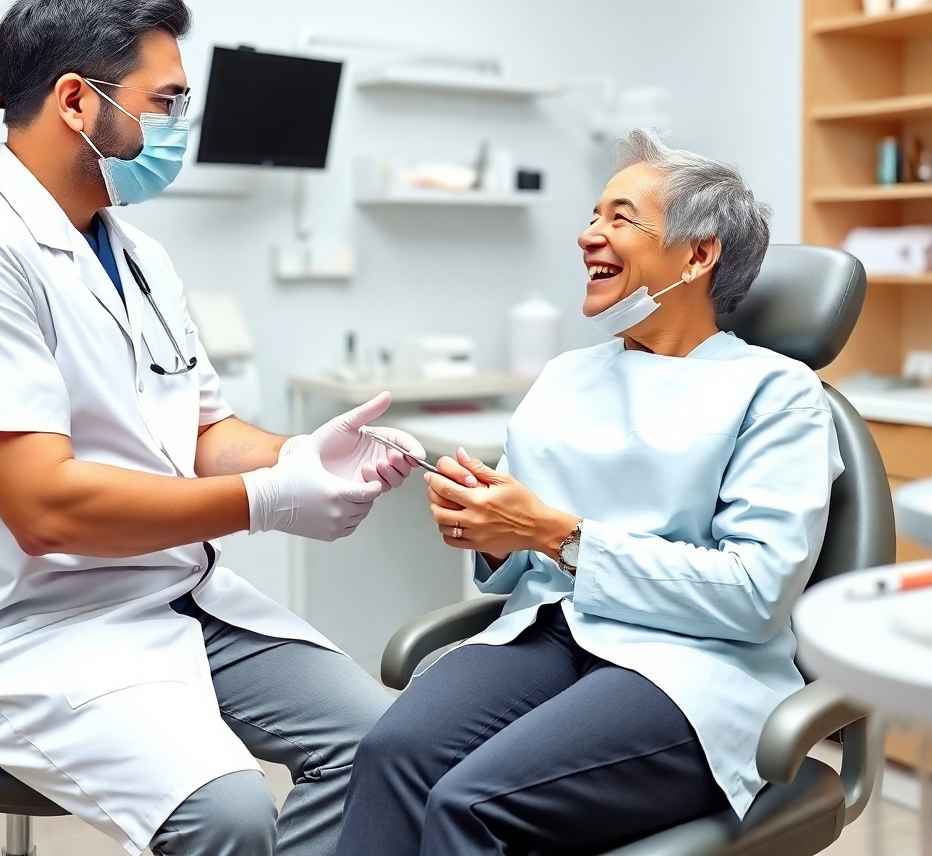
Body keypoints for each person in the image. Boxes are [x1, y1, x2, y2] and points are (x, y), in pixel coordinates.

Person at [0, 0, 426, 856]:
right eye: (166, 102)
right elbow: (46, 509)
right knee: (229, 813)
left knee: (389, 746)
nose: (179, 126)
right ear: (77, 100)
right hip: (20, 621)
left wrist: (310, 452)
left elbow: (200, 431)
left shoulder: (138, 252)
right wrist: (270, 500)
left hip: (168, 591)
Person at [335, 128, 844, 855]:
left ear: (698, 256)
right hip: (550, 630)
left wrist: (556, 535)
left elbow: (754, 597)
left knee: (470, 804)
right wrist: (488, 530)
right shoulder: (566, 377)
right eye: (593, 215)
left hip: (693, 664)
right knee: (391, 756)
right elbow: (518, 561)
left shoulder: (776, 392)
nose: (587, 236)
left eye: (620, 218)